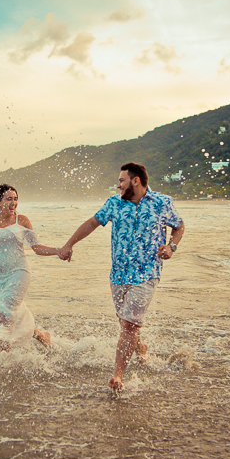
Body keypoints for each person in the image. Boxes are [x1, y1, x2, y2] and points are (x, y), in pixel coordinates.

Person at [58, 162, 185, 392]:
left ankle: (117, 375)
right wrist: (69, 244)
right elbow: (92, 223)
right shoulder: (114, 203)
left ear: (135, 181)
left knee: (129, 324)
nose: (118, 185)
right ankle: (140, 349)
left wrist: (171, 247)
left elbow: (179, 226)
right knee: (126, 322)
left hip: (147, 274)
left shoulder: (161, 203)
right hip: (118, 275)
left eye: (121, 181)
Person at [0, 184, 61, 351]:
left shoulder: (21, 220)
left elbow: (37, 248)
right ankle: (43, 337)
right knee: (16, 313)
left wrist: (58, 251)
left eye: (15, 199)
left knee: (6, 315)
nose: (13, 202)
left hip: (19, 272)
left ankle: (4, 353)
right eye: (9, 199)